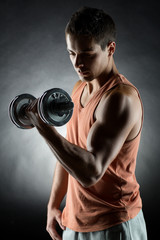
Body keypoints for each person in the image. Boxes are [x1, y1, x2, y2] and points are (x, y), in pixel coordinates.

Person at [26, 6, 148, 240]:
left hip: (114, 224)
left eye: (87, 53)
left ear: (110, 48)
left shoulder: (120, 99)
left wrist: (43, 127)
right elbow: (69, 152)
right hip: (74, 222)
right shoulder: (79, 87)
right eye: (71, 53)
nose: (77, 62)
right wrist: (53, 205)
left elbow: (91, 171)